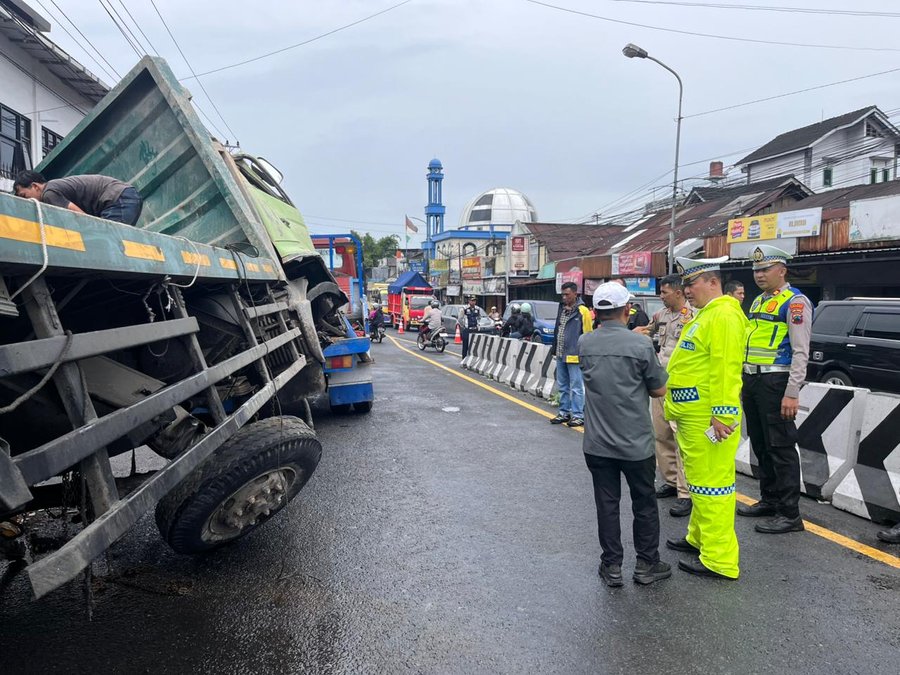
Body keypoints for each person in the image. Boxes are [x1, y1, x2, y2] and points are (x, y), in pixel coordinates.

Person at [580, 282, 671, 587]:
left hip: (597, 442)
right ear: (627, 310)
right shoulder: (641, 346)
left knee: (607, 505)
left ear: (596, 312)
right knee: (644, 502)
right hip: (636, 444)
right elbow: (658, 388)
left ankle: (612, 566)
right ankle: (646, 565)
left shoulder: (585, 343)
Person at [664, 256, 749, 580]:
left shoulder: (724, 315)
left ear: (712, 282)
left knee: (712, 486)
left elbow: (726, 369)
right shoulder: (708, 315)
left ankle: (719, 559)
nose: (686, 291)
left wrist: (723, 413)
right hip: (694, 416)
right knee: (700, 483)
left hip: (708, 419)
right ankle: (699, 537)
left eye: (691, 283)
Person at [737, 245, 813, 535]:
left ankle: (790, 513)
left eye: (765, 269)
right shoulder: (758, 302)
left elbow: (801, 351)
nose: (759, 274)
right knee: (760, 444)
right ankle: (769, 499)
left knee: (781, 448)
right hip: (753, 381)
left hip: (776, 382)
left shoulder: (794, 302)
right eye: (756, 269)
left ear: (782, 270)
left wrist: (792, 391)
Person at [635, 274, 694, 518]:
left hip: (681, 384)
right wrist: (639, 333)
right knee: (661, 434)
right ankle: (670, 481)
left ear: (679, 292)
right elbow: (647, 331)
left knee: (681, 439)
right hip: (660, 381)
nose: (661, 295)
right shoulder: (661, 315)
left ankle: (685, 492)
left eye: (665, 292)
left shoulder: (693, 315)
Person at [14, 170, 143, 225]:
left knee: (107, 239)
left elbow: (82, 217)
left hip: (119, 199)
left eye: (24, 196)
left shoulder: (49, 193)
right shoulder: (55, 187)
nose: (26, 201)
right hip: (124, 197)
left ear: (35, 186)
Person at [549, 282, 593, 427]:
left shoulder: (583, 311)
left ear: (575, 294)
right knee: (563, 386)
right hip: (561, 353)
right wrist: (554, 349)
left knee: (576, 386)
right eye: (563, 294)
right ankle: (564, 413)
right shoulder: (561, 309)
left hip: (575, 354)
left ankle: (578, 415)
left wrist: (585, 354)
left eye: (567, 294)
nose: (564, 297)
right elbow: (558, 329)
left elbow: (587, 334)